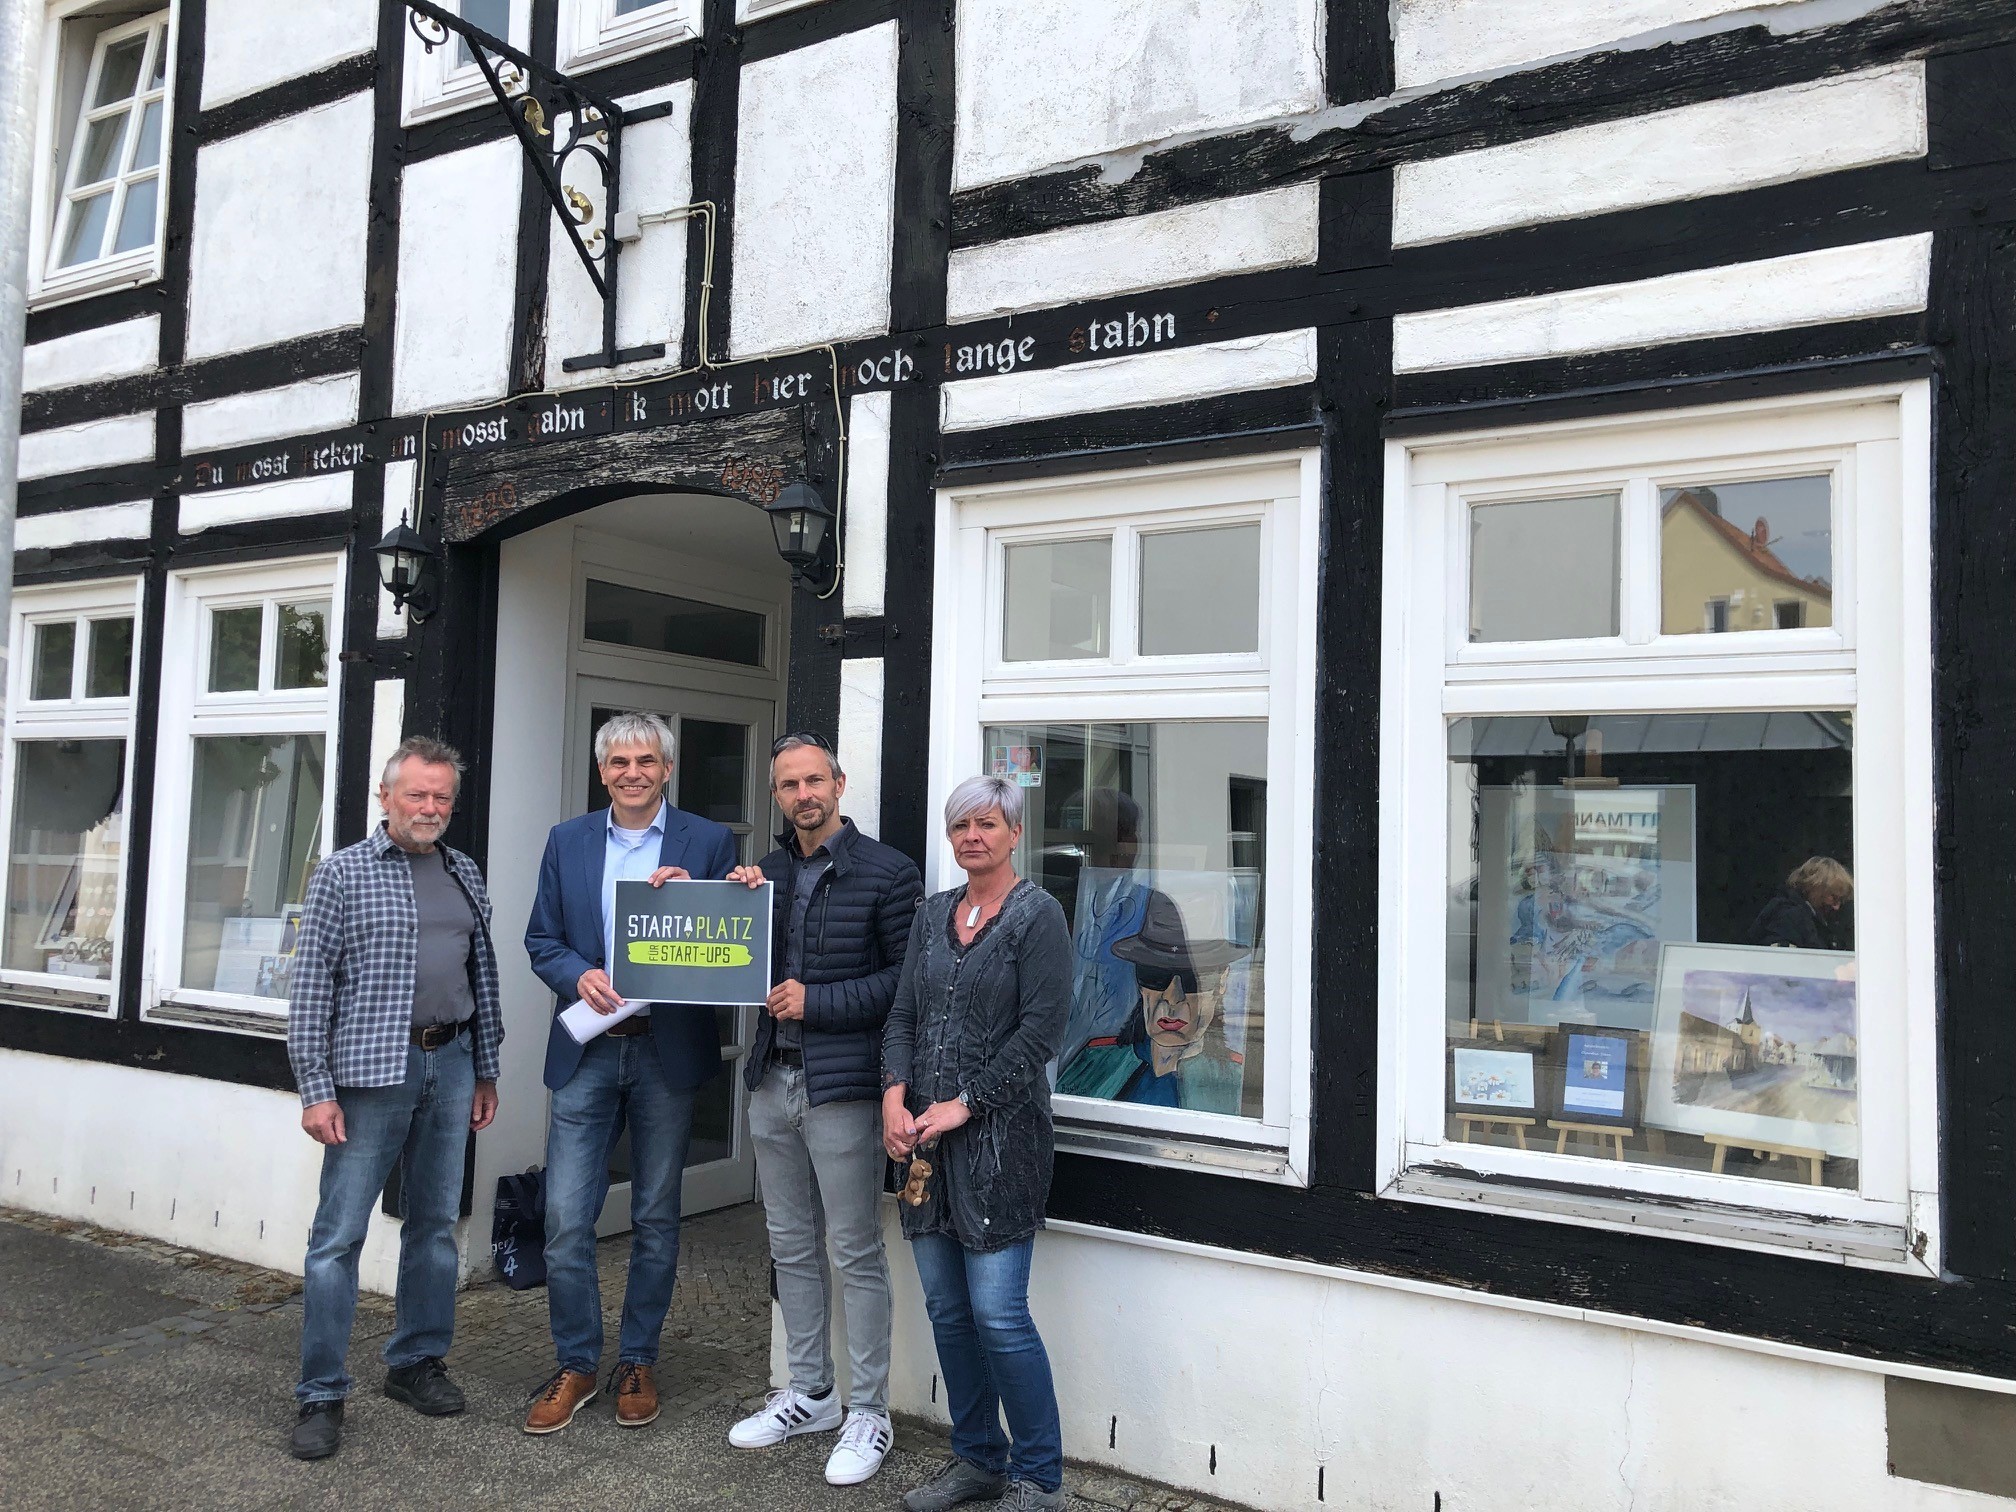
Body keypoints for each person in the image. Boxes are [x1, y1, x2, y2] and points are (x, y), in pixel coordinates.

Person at [285, 737, 503, 1461]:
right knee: (338, 1238)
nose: (432, 808)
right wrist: (315, 1089)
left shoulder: (463, 871)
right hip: (370, 1076)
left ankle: (414, 1362)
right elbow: (311, 985)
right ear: (386, 798)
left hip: (453, 1061)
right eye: (418, 794)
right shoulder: (342, 874)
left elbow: (482, 976)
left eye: (443, 796)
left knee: (436, 1225)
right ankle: (321, 1393)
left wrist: (486, 1069)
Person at [521, 711, 738, 1434]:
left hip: (664, 1048)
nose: (633, 772)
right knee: (563, 1217)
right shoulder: (567, 841)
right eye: (619, 762)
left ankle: (638, 1359)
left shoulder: (707, 841)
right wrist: (579, 973)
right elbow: (540, 939)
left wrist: (701, 900)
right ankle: (578, 1361)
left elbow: (731, 942)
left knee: (653, 1214)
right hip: (588, 1047)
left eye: (646, 760)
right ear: (603, 770)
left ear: (667, 769)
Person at [722, 733, 921, 1485]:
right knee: (790, 1247)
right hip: (771, 1080)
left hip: (842, 1089)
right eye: (787, 785)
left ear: (839, 782)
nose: (803, 795)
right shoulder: (764, 875)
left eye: (814, 780)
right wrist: (694, 896)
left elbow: (906, 983)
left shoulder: (888, 871)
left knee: (856, 1250)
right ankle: (810, 1393)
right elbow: (726, 955)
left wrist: (818, 1003)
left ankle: (870, 1411)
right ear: (775, 795)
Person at [883, 775, 1072, 1512]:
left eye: (987, 824)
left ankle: (1038, 1478)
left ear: (1014, 833)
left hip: (1003, 1149)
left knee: (999, 1315)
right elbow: (901, 1013)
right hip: (922, 1151)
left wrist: (966, 1104)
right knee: (948, 1312)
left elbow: (1040, 1038)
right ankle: (976, 1461)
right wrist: (894, 1094)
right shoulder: (933, 915)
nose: (972, 837)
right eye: (961, 825)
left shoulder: (1038, 917)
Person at [1750, 856, 1854, 951]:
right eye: (1833, 897)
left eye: (1841, 900)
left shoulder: (1819, 924)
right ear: (1814, 887)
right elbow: (1781, 964)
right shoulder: (1788, 917)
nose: (1837, 906)